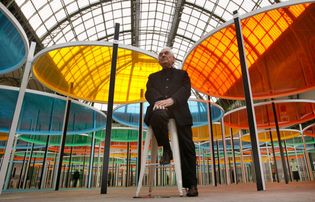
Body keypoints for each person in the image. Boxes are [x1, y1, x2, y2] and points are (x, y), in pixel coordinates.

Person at [144, 47, 198, 197]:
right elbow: (149, 92)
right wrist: (160, 101)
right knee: (157, 115)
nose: (163, 55)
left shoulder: (182, 74)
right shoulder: (152, 77)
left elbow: (186, 90)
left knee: (187, 147)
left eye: (166, 53)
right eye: (160, 54)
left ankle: (191, 185)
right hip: (159, 110)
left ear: (173, 59)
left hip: (180, 112)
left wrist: (172, 100)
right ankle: (166, 149)